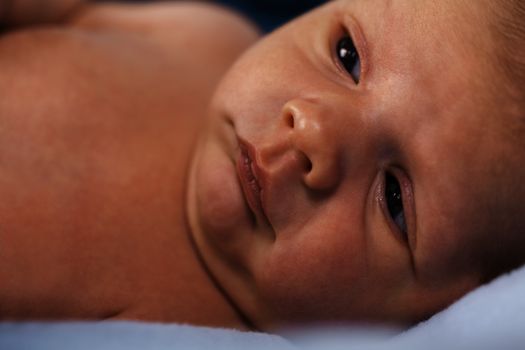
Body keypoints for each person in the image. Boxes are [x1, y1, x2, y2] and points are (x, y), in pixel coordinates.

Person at [0, 0, 524, 332]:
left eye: (393, 200)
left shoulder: (203, 329)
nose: (313, 132)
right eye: (348, 56)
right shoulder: (201, 39)